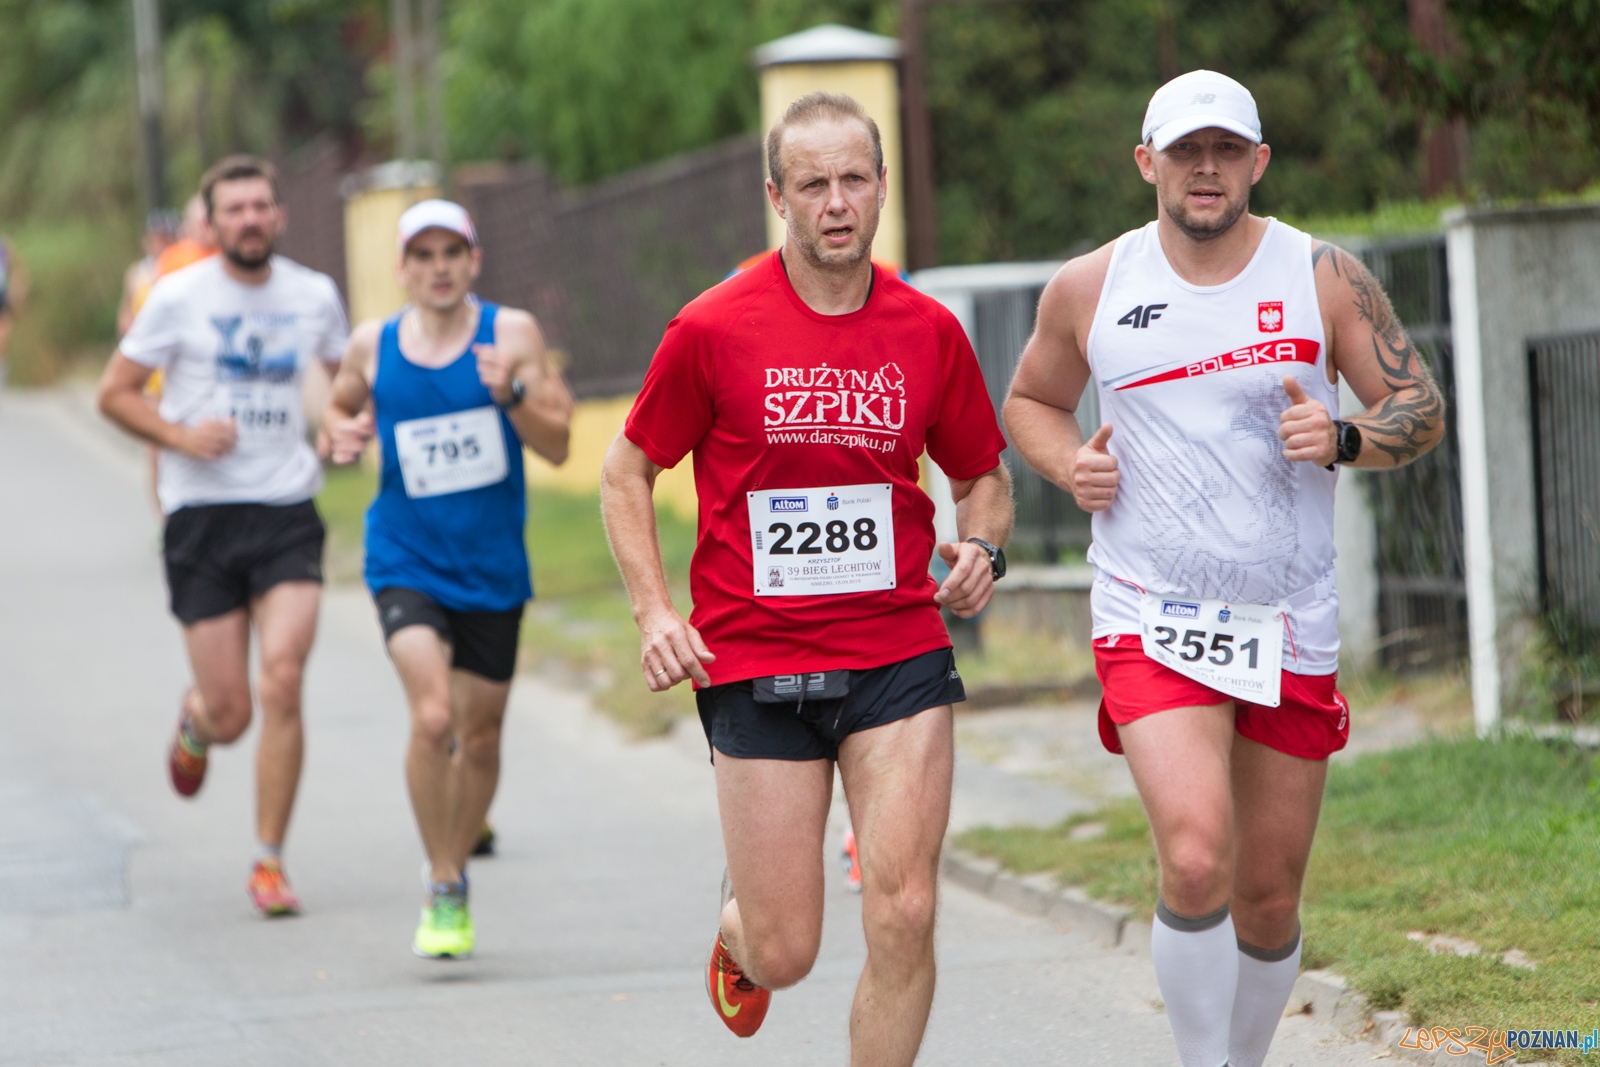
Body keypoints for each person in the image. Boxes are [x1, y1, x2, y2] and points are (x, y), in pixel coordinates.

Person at [1003, 70, 1445, 1067]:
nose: (1205, 168)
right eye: (1185, 149)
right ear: (1145, 162)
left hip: (1287, 616)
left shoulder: (1320, 274)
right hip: (1148, 609)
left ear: (1258, 162)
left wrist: (1338, 434)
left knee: (1268, 892)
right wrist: (1066, 459)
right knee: (1197, 854)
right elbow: (1029, 399)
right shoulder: (1091, 285)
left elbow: (1419, 410)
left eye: (1225, 149)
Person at [601, 92, 1013, 1064]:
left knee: (905, 907)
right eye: (813, 183)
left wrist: (982, 546)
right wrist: (655, 608)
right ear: (777, 197)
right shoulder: (710, 327)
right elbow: (627, 470)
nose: (837, 202)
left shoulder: (927, 330)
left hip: (897, 650)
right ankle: (743, 921)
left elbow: (980, 474)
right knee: (786, 950)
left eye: (855, 180)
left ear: (881, 190)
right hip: (755, 659)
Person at [96, 156, 350, 918]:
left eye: (260, 206)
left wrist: (342, 423)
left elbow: (347, 383)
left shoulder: (313, 295)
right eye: (233, 208)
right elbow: (112, 393)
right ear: (210, 222)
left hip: (284, 509)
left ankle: (268, 859)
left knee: (283, 678)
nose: (248, 219)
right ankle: (197, 719)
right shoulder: (176, 296)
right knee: (233, 710)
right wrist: (176, 433)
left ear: (278, 216)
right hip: (201, 517)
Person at [321, 199, 573, 958]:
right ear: (401, 268)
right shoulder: (374, 344)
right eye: (423, 255)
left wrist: (515, 395)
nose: (438, 268)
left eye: (451, 253)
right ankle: (444, 878)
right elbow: (336, 409)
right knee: (433, 717)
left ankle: (457, 850)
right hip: (405, 558)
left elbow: (559, 444)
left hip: (492, 566)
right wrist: (340, 432)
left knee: (481, 735)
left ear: (474, 261)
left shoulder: (513, 334)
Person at [117, 209, 181, 337]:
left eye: (167, 236)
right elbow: (125, 317)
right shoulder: (137, 272)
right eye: (158, 237)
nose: (162, 242)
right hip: (145, 338)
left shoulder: (185, 266)